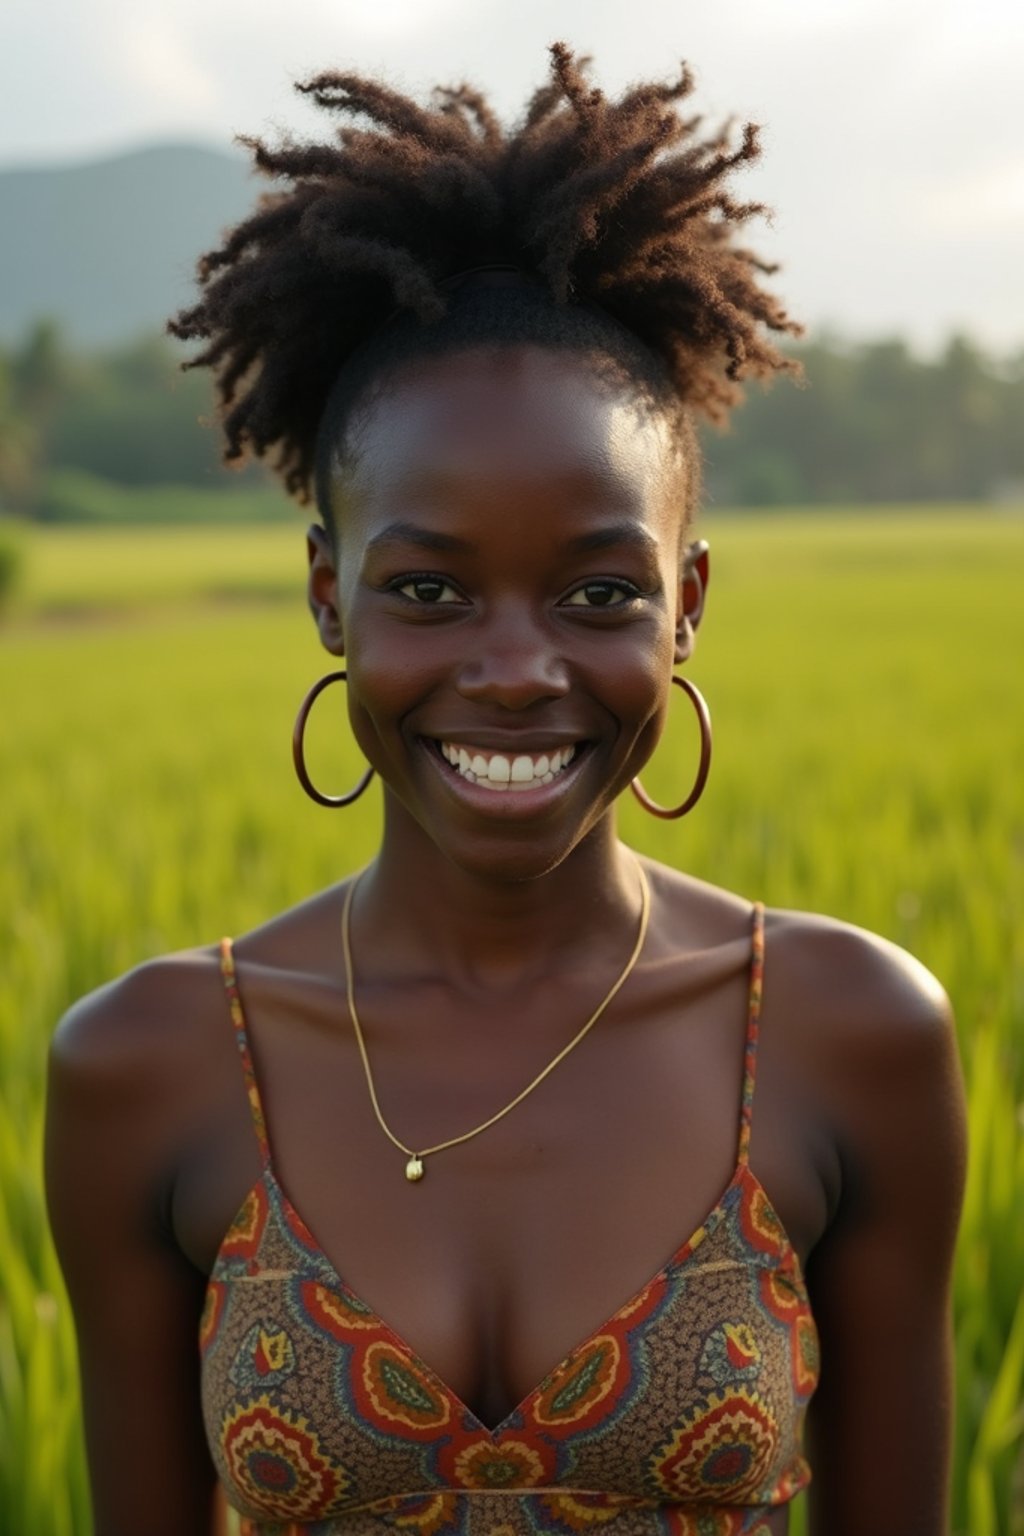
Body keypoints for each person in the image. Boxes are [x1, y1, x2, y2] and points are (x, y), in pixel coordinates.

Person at [44, 44, 967, 1536]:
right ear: (329, 598)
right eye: (430, 589)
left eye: (602, 592)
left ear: (691, 603)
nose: (519, 668)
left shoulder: (848, 1035)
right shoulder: (148, 1067)